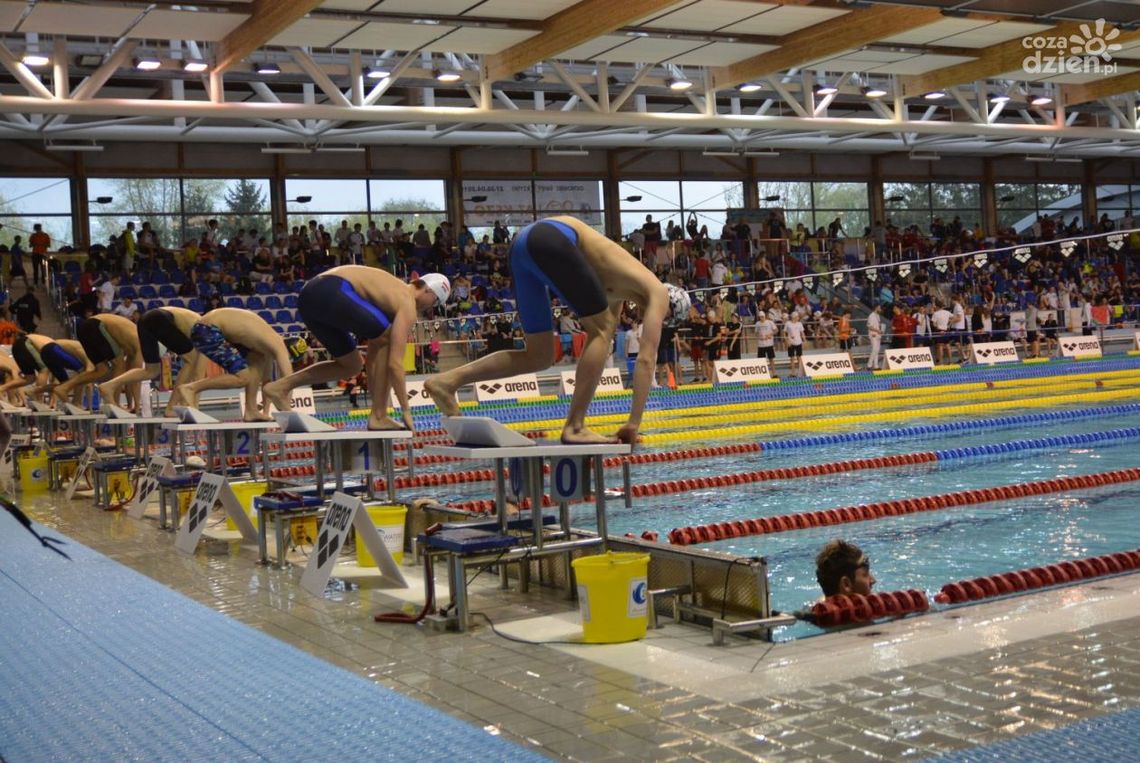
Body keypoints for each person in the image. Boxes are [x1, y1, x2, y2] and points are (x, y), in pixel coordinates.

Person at [425, 215, 687, 445]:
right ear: (669, 310)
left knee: (539, 355)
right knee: (603, 331)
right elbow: (646, 358)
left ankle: (447, 382)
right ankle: (575, 426)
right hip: (551, 239)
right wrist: (634, 423)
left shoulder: (625, 288)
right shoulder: (658, 293)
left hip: (523, 246)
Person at [263, 265, 450, 431]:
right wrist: (406, 409)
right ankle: (379, 416)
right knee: (387, 339)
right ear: (428, 291)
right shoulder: (406, 303)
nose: (429, 309)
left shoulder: (389, 292)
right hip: (332, 289)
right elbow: (395, 364)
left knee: (351, 365)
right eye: (434, 303)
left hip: (309, 298)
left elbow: (373, 359)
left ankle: (280, 387)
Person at [163, 308, 296, 421]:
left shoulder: (265, 347)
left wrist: (266, 411)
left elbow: (267, 380)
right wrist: (289, 412)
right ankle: (191, 388)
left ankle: (251, 410)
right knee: (243, 377)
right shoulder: (279, 346)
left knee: (257, 363)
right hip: (208, 329)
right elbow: (288, 381)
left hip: (213, 327)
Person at [99, 306, 204, 416]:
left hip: (145, 320)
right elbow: (198, 375)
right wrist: (194, 407)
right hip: (159, 318)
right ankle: (170, 408)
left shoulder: (199, 323)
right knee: (192, 361)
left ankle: (109, 385)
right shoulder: (207, 334)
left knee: (152, 371)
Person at [60, 314, 144, 410]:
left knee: (101, 370)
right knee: (119, 364)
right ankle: (114, 403)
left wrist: (131, 406)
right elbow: (136, 381)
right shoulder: (141, 345)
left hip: (84, 328)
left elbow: (129, 379)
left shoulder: (132, 346)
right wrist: (137, 406)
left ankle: (64, 387)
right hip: (96, 325)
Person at [11, 333, 94, 406]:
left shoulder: (72, 349)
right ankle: (76, 403)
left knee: (64, 382)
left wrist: (53, 401)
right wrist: (90, 407)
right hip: (46, 347)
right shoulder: (89, 353)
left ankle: (34, 391)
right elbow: (87, 380)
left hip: (45, 352)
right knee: (81, 375)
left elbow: (55, 378)